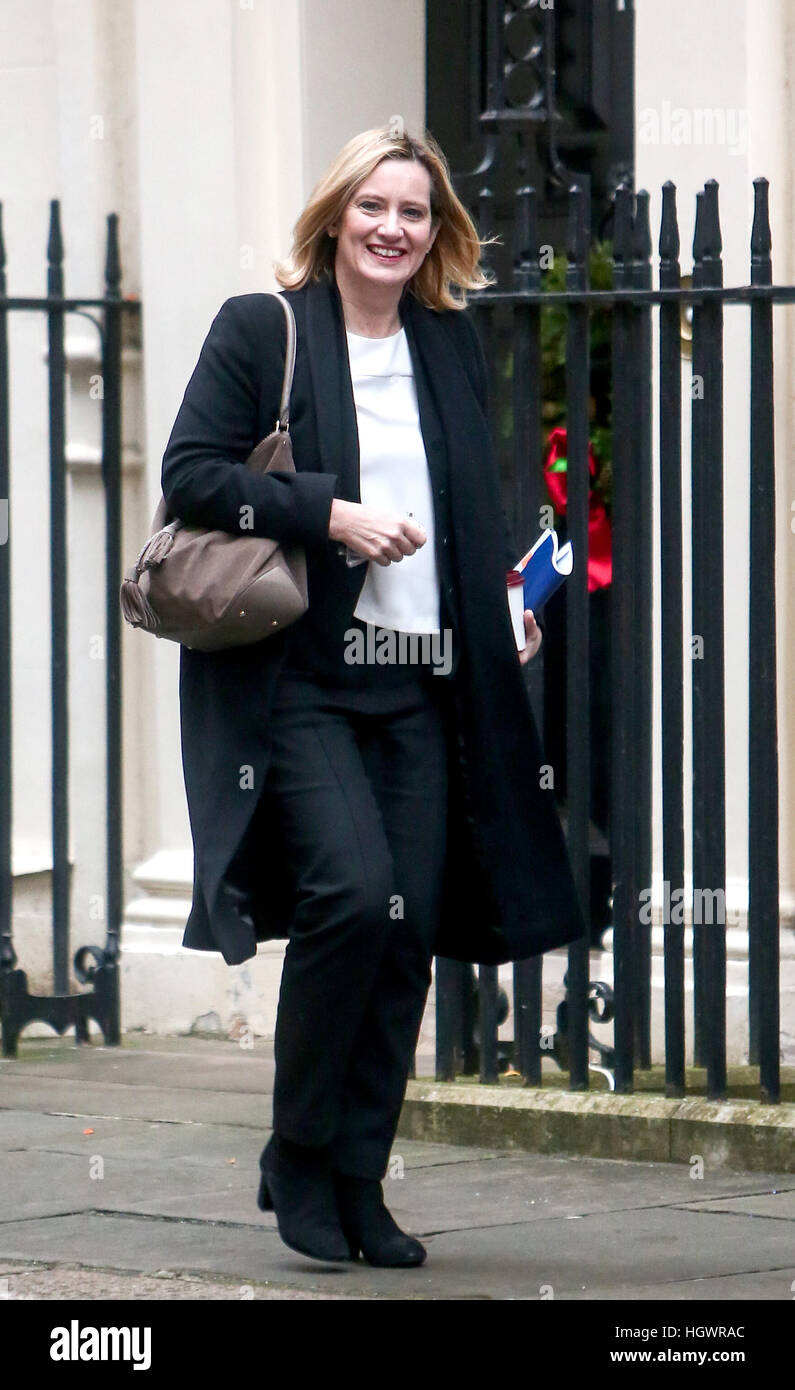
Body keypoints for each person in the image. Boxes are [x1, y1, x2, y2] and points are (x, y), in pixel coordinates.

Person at [161, 123, 586, 1269]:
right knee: (352, 896)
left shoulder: (446, 346)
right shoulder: (267, 328)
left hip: (423, 687)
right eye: (374, 208)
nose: (394, 229)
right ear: (336, 217)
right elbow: (192, 475)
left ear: (436, 233)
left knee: (407, 936)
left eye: (415, 213)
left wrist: (504, 609)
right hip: (303, 681)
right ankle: (297, 1156)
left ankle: (360, 1180)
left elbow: (469, 512)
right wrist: (327, 512)